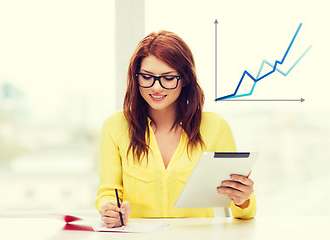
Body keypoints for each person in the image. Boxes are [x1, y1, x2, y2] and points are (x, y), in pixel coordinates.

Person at [95, 30, 256, 228]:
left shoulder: (215, 127)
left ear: (185, 79)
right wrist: (110, 209)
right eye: (147, 77)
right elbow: (108, 192)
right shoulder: (115, 126)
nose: (156, 87)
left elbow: (243, 213)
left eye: (168, 78)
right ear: (135, 78)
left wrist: (243, 200)